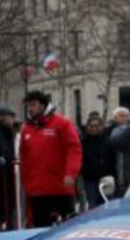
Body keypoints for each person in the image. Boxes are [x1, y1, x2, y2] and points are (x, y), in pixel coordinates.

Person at [19, 90, 81, 227]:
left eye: (33, 105)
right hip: (37, 190)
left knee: (68, 227)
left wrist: (70, 173)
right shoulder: (26, 128)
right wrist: (26, 182)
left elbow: (74, 149)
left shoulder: (62, 123)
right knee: (41, 230)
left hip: (61, 187)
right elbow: (24, 156)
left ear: (43, 105)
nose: (30, 109)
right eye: (28, 106)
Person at [80, 115, 117, 209]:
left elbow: (113, 159)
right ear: (87, 127)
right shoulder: (82, 143)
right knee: (93, 206)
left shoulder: (108, 142)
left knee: (108, 205)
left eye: (96, 126)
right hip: (90, 179)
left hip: (106, 178)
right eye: (91, 126)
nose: (94, 128)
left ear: (101, 127)